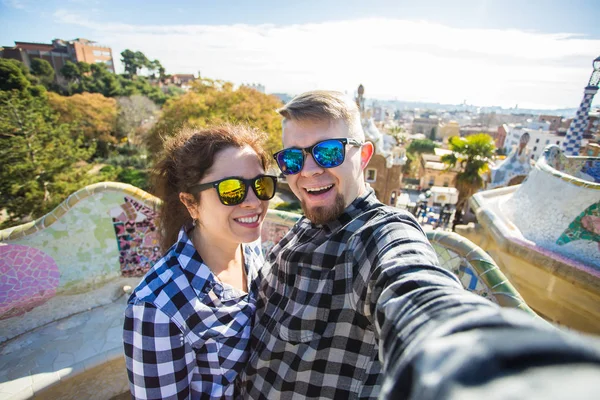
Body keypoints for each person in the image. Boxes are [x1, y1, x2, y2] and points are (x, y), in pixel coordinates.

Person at [239, 91, 600, 399]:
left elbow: (417, 293)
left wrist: (500, 367)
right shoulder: (308, 222)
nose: (309, 170)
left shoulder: (376, 235)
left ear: (363, 156)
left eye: (329, 153)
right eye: (291, 158)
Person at [122, 125, 278, 400]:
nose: (253, 202)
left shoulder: (251, 250)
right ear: (191, 203)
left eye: (260, 184)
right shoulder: (158, 307)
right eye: (231, 190)